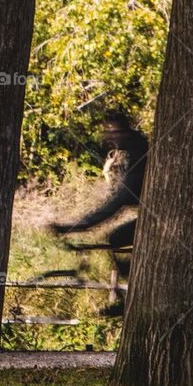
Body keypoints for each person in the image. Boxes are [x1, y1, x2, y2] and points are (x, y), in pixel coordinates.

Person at [49, 109, 148, 314]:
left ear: (124, 131)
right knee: (117, 239)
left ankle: (136, 297)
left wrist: (77, 226)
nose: (108, 137)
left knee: (116, 237)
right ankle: (134, 294)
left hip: (159, 219)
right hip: (151, 216)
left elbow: (121, 200)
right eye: (106, 133)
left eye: (112, 132)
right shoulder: (133, 150)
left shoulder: (137, 151)